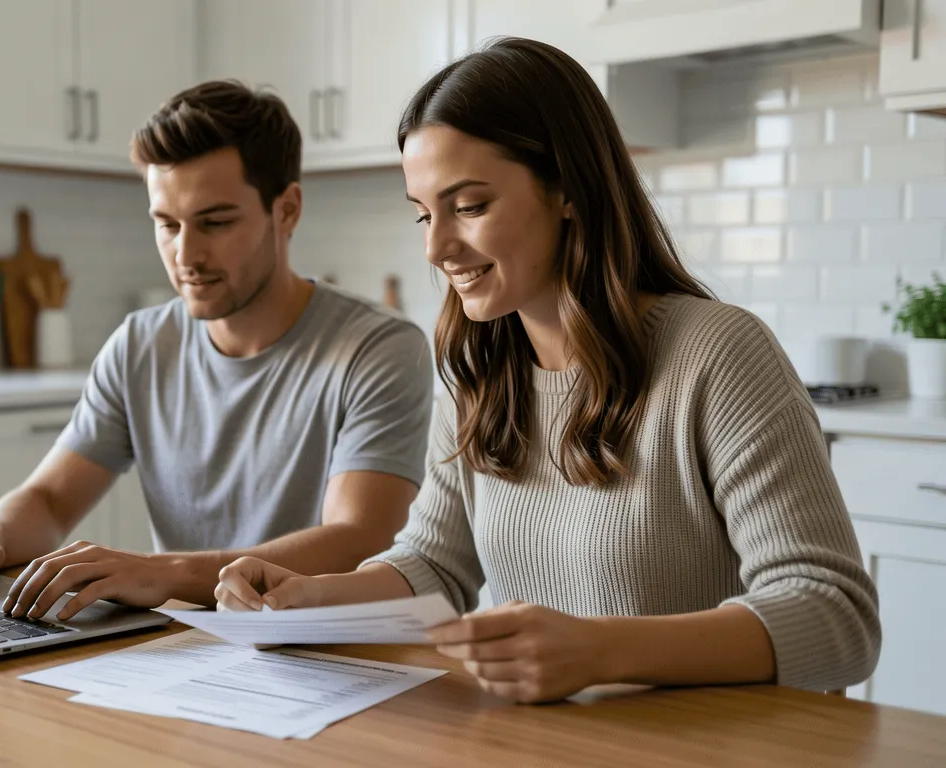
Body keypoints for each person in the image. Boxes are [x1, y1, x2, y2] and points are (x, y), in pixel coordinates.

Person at [214, 38, 881, 703]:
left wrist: (600, 651)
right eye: (423, 213)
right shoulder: (478, 373)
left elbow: (836, 616)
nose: (436, 247)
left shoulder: (717, 354)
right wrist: (306, 597)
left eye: (469, 206)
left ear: (566, 188)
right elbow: (434, 564)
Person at [0, 81, 434, 623]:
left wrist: (164, 572)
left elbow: (359, 540)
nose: (186, 254)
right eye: (167, 224)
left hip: (333, 652)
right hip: (185, 651)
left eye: (216, 222)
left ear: (287, 210)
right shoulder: (140, 345)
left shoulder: (379, 348)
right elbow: (49, 500)